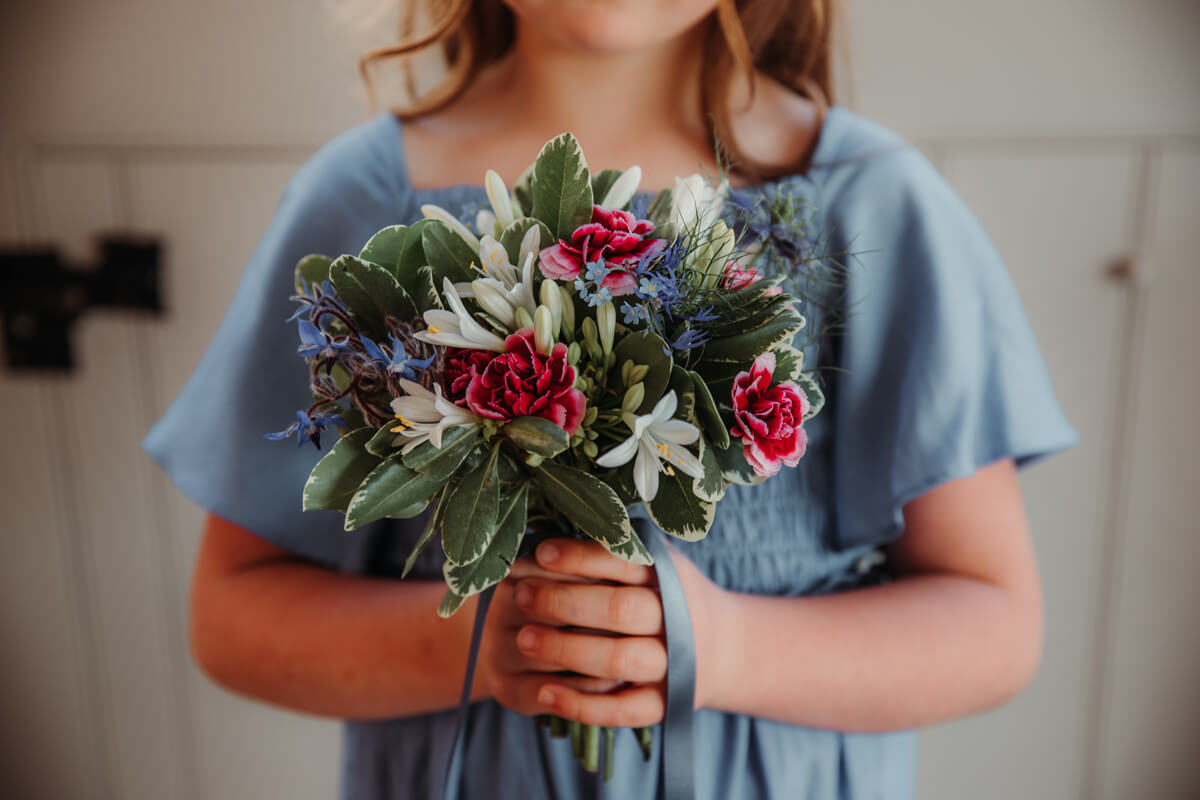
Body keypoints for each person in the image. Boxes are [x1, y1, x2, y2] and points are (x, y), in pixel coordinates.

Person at [143, 0, 1081, 797]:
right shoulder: (361, 203)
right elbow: (234, 617)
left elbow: (993, 623)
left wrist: (728, 647)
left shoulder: (867, 203)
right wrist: (482, 641)